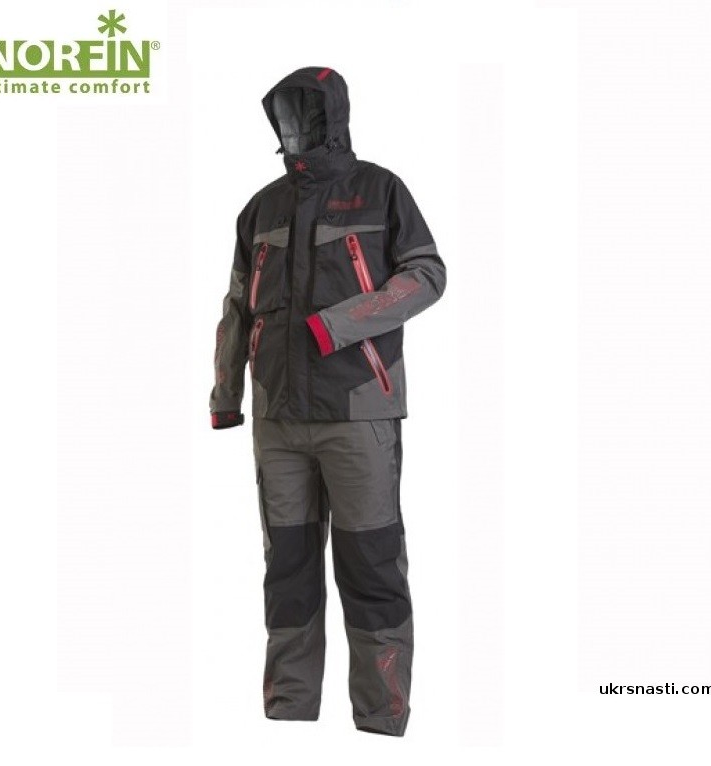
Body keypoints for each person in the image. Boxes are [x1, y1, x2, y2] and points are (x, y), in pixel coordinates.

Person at [209, 66, 446, 737]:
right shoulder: (261, 208)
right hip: (277, 418)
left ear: (331, 116)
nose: (293, 126)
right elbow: (237, 306)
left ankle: (380, 716)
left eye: (304, 112)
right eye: (284, 114)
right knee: (286, 567)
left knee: (371, 563)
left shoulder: (380, 189)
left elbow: (426, 273)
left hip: (358, 413)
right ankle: (289, 711)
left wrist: (339, 325)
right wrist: (226, 394)